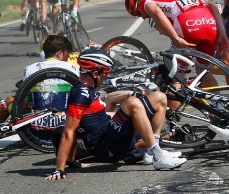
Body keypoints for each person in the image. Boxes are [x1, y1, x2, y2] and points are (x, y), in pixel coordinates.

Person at [44, 47, 185, 181]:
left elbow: (100, 117)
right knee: (132, 103)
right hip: (107, 147)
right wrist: (60, 169)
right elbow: (68, 131)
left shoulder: (88, 90)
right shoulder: (80, 95)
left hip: (111, 135)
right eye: (105, 73)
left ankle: (152, 151)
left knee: (159, 97)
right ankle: (158, 156)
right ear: (95, 73)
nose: (106, 77)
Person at [0, 34, 77, 124]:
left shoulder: (29, 69)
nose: (68, 58)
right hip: (67, 123)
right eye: (68, 54)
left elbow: (23, 105)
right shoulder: (74, 68)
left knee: (9, 99)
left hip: (37, 126)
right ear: (60, 54)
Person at [124, 0, 229, 59]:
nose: (142, 17)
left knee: (173, 72)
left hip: (189, 25)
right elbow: (212, 5)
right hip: (211, 23)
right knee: (203, 71)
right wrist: (221, 32)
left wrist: (176, 39)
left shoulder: (144, 0)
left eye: (138, 13)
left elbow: (155, 11)